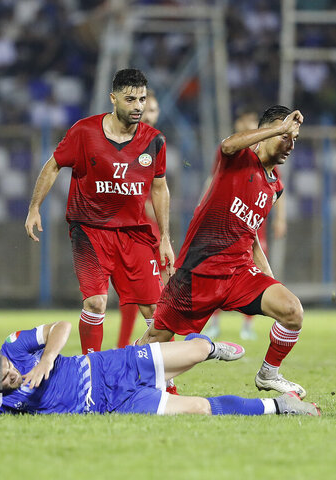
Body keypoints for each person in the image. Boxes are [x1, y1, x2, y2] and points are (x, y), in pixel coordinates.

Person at [138, 106, 309, 399]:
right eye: (286, 138)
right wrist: (280, 129)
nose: (290, 145)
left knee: (292, 311)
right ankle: (120, 377)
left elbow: (250, 232)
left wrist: (267, 276)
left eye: (294, 140)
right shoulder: (239, 159)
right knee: (157, 338)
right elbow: (228, 144)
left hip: (239, 273)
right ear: (268, 131)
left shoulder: (274, 186)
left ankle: (269, 374)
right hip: (198, 272)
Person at [25, 69, 175, 355]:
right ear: (113, 98)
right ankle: (90, 371)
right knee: (95, 303)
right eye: (130, 99)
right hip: (90, 230)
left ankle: (163, 381)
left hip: (134, 233)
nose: (138, 106)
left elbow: (159, 188)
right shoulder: (84, 131)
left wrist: (165, 236)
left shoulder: (155, 140)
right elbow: (54, 164)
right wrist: (34, 207)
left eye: (142, 99)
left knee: (157, 312)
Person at [0, 321, 319, 417]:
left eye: (4, 368)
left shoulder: (14, 346)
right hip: (115, 403)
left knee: (199, 351)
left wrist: (47, 358)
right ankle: (281, 407)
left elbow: (60, 328)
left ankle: (206, 345)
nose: (9, 374)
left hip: (114, 363)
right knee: (199, 409)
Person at [205, 108, 288, 341]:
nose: (249, 126)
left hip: (253, 228)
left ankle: (248, 325)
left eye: (253, 122)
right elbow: (214, 179)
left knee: (257, 270)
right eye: (245, 122)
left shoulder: (268, 153)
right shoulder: (231, 152)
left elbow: (278, 188)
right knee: (217, 272)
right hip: (225, 225)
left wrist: (280, 218)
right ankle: (213, 321)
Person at [116, 89, 165, 348]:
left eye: (154, 110)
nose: (149, 115)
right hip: (125, 229)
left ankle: (141, 348)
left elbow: (158, 187)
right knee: (135, 296)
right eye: (146, 110)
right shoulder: (121, 141)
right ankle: (128, 348)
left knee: (163, 288)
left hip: (151, 228)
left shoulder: (156, 142)